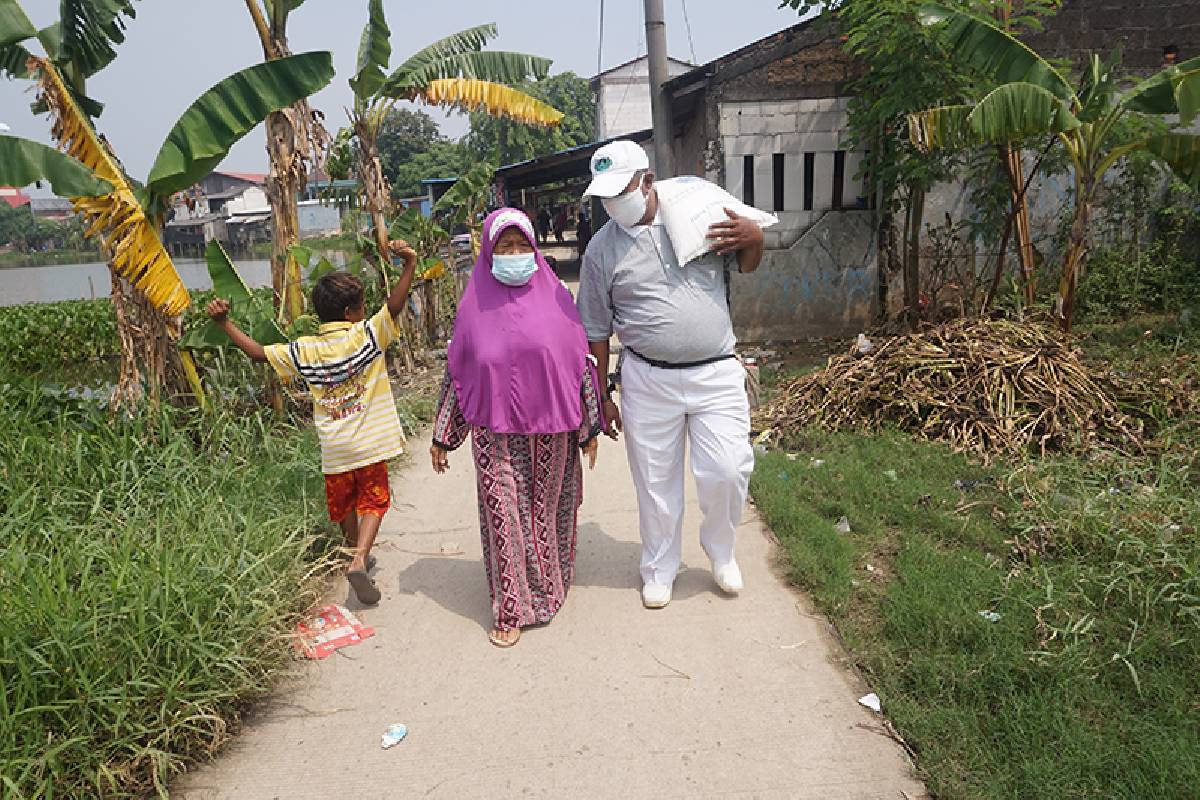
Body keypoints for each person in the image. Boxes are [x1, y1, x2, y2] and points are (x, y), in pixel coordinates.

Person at [576, 139, 765, 609]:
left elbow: (746, 263)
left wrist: (755, 239)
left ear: (647, 182)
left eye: (621, 192)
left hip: (716, 372)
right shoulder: (600, 251)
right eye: (605, 197)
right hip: (647, 379)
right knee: (656, 484)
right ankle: (659, 566)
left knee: (727, 470)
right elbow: (596, 332)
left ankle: (720, 553)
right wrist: (602, 397)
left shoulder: (699, 217)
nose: (613, 204)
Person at [205, 241, 420, 606]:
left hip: (335, 446)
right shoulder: (367, 334)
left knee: (345, 502)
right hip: (370, 441)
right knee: (374, 500)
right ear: (353, 312)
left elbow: (257, 353)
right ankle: (359, 557)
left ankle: (352, 550)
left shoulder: (304, 349)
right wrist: (409, 264)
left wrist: (225, 322)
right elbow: (395, 304)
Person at [431, 208, 604, 647]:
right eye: (504, 247)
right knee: (504, 516)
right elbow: (460, 372)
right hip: (495, 434)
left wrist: (589, 429)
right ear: (489, 252)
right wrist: (443, 437)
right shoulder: (474, 307)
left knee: (546, 513)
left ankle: (548, 589)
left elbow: (578, 364)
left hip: (553, 430)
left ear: (534, 248)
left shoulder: (557, 298)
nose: (513, 254)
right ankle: (511, 607)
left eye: (521, 245)